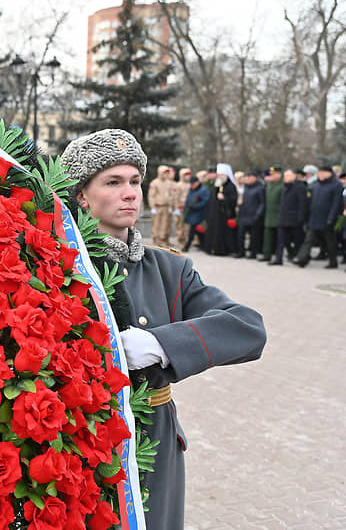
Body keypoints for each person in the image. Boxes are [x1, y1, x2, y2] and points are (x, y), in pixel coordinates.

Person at [60, 128, 266, 530]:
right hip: (82, 440)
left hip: (154, 437)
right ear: (82, 196)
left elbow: (248, 327)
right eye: (113, 182)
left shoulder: (171, 269)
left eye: (135, 181)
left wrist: (160, 343)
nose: (130, 193)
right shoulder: (61, 267)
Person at [293, 165, 343, 269]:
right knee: (308, 240)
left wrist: (331, 217)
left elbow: (336, 203)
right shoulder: (316, 185)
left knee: (330, 241)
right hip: (314, 217)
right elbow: (312, 201)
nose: (320, 175)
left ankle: (333, 261)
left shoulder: (336, 185)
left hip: (327, 218)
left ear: (329, 173)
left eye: (322, 173)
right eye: (319, 173)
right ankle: (302, 259)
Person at [270, 168, 308, 265]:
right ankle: (279, 259)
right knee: (281, 240)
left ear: (294, 176)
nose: (285, 178)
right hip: (283, 218)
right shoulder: (284, 187)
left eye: (288, 176)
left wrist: (301, 218)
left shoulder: (300, 187)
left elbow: (302, 204)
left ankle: (301, 258)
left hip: (294, 218)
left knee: (298, 240)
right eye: (285, 176)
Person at [202, 163, 238, 255]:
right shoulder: (217, 185)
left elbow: (233, 201)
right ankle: (211, 248)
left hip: (224, 215)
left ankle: (222, 250)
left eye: (221, 175)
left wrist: (224, 198)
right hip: (214, 214)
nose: (219, 177)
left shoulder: (231, 187)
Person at [235, 170, 265, 259]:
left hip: (253, 215)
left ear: (255, 178)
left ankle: (253, 253)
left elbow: (262, 203)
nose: (248, 179)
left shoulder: (260, 188)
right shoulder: (246, 188)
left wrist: (258, 214)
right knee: (240, 235)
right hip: (243, 215)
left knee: (254, 236)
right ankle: (241, 252)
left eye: (250, 177)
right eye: (247, 177)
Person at [259, 166, 283, 262]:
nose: (271, 176)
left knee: (279, 238)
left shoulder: (282, 185)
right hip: (269, 214)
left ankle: (278, 256)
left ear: (280, 174)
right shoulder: (269, 185)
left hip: (279, 214)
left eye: (274, 174)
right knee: (267, 236)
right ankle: (266, 254)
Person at [148, 164, 175, 247]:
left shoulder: (169, 183)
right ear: (160, 173)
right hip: (158, 206)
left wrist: (171, 206)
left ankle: (163, 240)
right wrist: (152, 207)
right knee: (156, 224)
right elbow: (151, 195)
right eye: (164, 173)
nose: (166, 175)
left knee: (165, 224)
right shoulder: (154, 183)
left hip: (166, 207)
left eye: (167, 173)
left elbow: (171, 195)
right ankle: (155, 240)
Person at [181, 175, 209, 252]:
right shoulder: (191, 189)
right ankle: (203, 245)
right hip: (191, 213)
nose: (191, 185)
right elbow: (188, 200)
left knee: (192, 231)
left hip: (199, 214)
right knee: (198, 231)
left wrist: (195, 206)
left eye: (193, 184)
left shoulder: (203, 190)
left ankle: (187, 246)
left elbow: (205, 202)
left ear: (197, 183)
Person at [173, 168, 192, 250]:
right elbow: (175, 197)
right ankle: (180, 242)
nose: (188, 177)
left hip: (188, 208)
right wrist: (176, 208)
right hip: (180, 208)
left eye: (189, 175)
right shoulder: (178, 185)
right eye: (186, 175)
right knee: (180, 226)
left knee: (187, 226)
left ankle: (186, 241)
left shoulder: (190, 185)